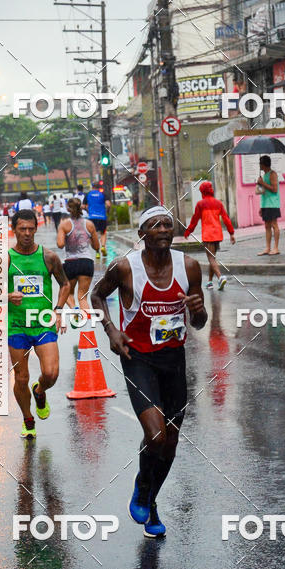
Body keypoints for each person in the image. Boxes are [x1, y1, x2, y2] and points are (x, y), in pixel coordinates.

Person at [91, 206, 207, 538]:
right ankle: (143, 486)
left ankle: (151, 501)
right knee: (155, 435)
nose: (164, 230)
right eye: (155, 225)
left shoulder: (189, 267)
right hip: (137, 356)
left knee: (169, 443)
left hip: (174, 359)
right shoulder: (126, 268)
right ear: (142, 234)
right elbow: (96, 295)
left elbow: (199, 322)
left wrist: (198, 312)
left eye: (168, 225)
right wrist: (111, 331)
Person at [8, 209, 71, 439]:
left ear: (36, 228)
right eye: (22, 229)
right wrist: (7, 296)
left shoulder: (48, 257)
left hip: (43, 323)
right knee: (20, 377)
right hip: (16, 325)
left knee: (51, 373)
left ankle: (40, 390)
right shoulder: (5, 259)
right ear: (13, 229)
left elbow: (65, 284)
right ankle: (27, 418)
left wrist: (57, 310)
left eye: (30, 229)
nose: (26, 233)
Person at [183, 180, 235, 290]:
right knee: (213, 258)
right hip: (217, 235)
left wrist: (188, 232)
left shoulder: (200, 204)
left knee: (211, 258)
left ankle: (220, 277)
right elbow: (226, 219)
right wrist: (231, 233)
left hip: (208, 235)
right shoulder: (218, 203)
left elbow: (194, 220)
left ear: (202, 192)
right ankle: (210, 282)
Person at [57, 197, 100, 325]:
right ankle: (87, 328)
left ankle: (75, 310)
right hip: (86, 262)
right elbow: (97, 247)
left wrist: (65, 236)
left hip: (70, 262)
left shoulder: (64, 224)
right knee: (83, 296)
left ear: (68, 209)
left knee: (68, 293)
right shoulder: (90, 224)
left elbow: (60, 244)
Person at [256, 155, 281, 256]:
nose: (259, 165)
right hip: (265, 204)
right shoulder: (264, 175)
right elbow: (262, 192)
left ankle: (276, 248)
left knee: (274, 225)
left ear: (264, 164)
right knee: (267, 226)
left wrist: (263, 183)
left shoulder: (272, 174)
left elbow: (274, 189)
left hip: (273, 203)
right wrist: (261, 207)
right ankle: (268, 248)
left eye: (260, 163)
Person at [86, 183, 110, 258]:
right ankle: (103, 246)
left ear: (92, 187)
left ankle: (97, 252)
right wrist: (108, 211)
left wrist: (88, 211)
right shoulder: (103, 194)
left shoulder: (88, 194)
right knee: (103, 233)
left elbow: (84, 206)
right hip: (102, 217)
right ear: (99, 187)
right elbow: (108, 204)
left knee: (94, 235)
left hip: (91, 218)